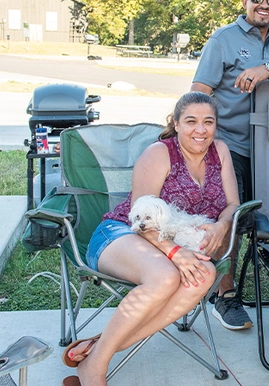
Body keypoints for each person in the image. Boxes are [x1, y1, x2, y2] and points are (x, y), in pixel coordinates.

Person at [61, 92, 240, 386]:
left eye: (208, 122)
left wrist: (222, 226)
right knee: (165, 277)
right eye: (191, 121)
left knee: (205, 274)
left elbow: (232, 204)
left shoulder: (219, 151)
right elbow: (139, 215)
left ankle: (98, 347)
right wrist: (174, 253)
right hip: (123, 234)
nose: (200, 130)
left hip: (177, 243)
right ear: (176, 124)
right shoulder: (160, 153)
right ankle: (95, 369)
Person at [191, 0, 269, 329]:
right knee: (231, 221)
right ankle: (224, 296)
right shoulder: (224, 39)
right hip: (231, 146)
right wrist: (205, 142)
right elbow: (199, 90)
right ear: (245, 1)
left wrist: (267, 69)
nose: (265, 5)